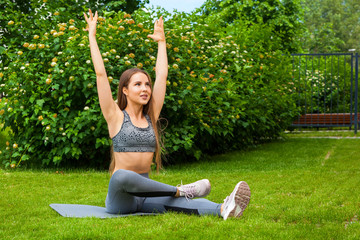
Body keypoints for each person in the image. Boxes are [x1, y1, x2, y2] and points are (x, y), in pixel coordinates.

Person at [84, 9, 251, 220]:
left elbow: (162, 75)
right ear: (125, 90)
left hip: (148, 194)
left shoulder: (150, 115)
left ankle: (224, 208)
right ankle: (181, 190)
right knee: (120, 176)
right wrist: (92, 36)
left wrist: (162, 43)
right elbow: (100, 74)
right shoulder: (115, 116)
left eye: (146, 84)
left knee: (179, 204)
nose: (145, 88)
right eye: (138, 84)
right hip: (122, 198)